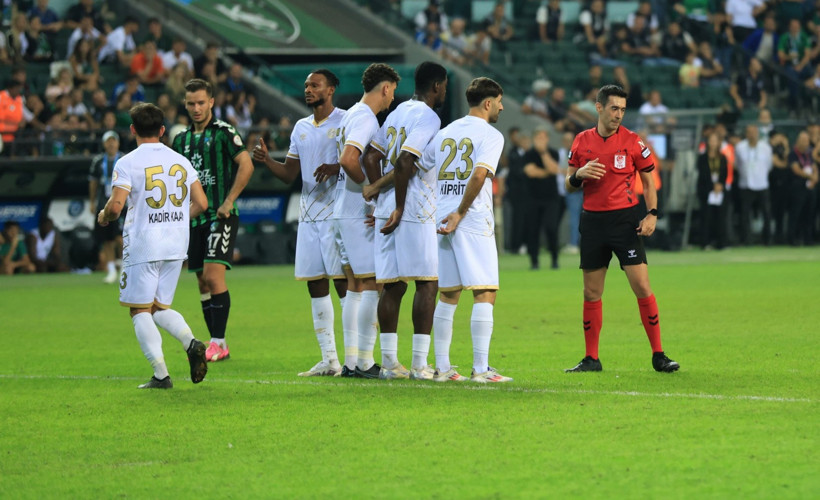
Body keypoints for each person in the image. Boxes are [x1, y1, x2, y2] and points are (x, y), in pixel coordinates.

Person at [564, 84, 679, 373]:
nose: (619, 115)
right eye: (614, 108)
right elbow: (568, 184)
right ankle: (591, 358)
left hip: (624, 222)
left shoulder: (632, 141)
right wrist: (579, 174)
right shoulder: (581, 141)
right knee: (591, 292)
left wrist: (652, 213)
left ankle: (659, 354)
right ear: (599, 107)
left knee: (641, 286)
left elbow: (650, 181)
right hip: (592, 222)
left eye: (623, 109)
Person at [97, 102, 209, 389]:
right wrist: (178, 220)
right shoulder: (181, 161)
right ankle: (191, 342)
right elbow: (202, 203)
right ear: (162, 130)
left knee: (139, 310)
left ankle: (161, 375)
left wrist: (104, 215)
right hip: (175, 243)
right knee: (159, 307)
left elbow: (117, 205)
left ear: (132, 129)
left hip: (144, 243)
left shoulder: (127, 162)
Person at [252, 69, 347, 377]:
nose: (308, 90)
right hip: (308, 215)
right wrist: (267, 161)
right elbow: (290, 174)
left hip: (336, 213)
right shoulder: (300, 127)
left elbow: (359, 163)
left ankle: (358, 357)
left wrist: (336, 167)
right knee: (316, 285)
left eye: (315, 85)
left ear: (330, 89)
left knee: (345, 285)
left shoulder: (346, 121)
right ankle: (329, 360)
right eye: (306, 85)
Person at [361, 61, 447, 380]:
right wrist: (398, 206)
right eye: (444, 86)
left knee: (393, 287)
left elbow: (371, 156)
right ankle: (420, 366)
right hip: (414, 209)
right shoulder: (428, 117)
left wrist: (379, 196)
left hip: (389, 206)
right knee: (428, 283)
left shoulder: (396, 113)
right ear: (437, 86)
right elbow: (405, 160)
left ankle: (389, 364)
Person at [431, 77, 512, 383]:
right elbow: (479, 175)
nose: (502, 107)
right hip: (471, 218)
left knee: (449, 293)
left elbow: (421, 168)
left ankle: (442, 368)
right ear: (488, 103)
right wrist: (460, 212)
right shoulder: (490, 135)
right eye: (500, 101)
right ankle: (480, 369)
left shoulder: (445, 132)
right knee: (485, 290)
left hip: (442, 218)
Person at [324, 64, 400, 378]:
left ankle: (353, 361)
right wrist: (371, 192)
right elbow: (347, 159)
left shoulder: (351, 114)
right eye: (392, 91)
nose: (392, 99)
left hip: (342, 205)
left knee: (355, 286)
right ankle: (366, 362)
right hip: (356, 209)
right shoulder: (366, 118)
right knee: (372, 282)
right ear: (384, 88)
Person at [172, 78, 254, 362]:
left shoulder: (223, 132)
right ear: (185, 105)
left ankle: (218, 342)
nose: (196, 108)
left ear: (211, 103)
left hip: (222, 215)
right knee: (201, 282)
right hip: (193, 220)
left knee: (212, 275)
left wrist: (229, 200)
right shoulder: (180, 140)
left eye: (201, 103)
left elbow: (246, 163)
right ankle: (217, 343)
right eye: (191, 103)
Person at [523, 128, 561, 270]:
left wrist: (544, 153)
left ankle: (555, 259)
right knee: (532, 230)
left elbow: (554, 169)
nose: (541, 140)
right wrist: (547, 171)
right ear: (533, 139)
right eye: (538, 137)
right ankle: (534, 262)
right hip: (532, 198)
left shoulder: (553, 153)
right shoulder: (528, 154)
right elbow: (531, 172)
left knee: (551, 228)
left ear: (547, 139)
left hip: (551, 198)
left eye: (543, 137)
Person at [89, 130, 124, 283]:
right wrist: (92, 201)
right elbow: (93, 182)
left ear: (118, 143)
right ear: (104, 144)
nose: (111, 144)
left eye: (113, 140)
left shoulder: (124, 159)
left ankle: (124, 266)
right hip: (104, 203)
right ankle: (111, 271)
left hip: (122, 204)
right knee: (106, 239)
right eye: (108, 141)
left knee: (121, 238)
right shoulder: (98, 161)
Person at [735, 124, 773, 245]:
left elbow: (769, 165)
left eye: (753, 132)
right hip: (745, 185)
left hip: (762, 184)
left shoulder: (766, 147)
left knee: (766, 213)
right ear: (746, 134)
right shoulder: (740, 147)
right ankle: (746, 240)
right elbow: (738, 165)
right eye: (749, 132)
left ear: (757, 133)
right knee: (745, 214)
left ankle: (767, 239)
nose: (751, 134)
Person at [696, 131, 729, 249]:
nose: (713, 143)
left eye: (715, 140)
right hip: (706, 191)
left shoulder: (722, 157)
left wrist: (720, 185)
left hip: (719, 191)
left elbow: (724, 173)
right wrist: (712, 186)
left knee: (720, 217)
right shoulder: (702, 158)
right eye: (711, 140)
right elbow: (703, 175)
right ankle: (705, 242)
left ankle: (721, 243)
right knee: (706, 217)